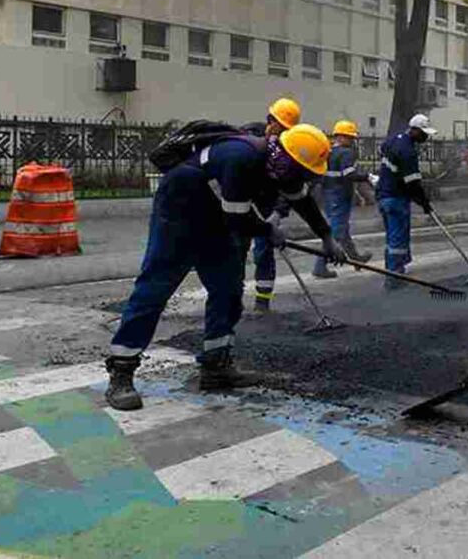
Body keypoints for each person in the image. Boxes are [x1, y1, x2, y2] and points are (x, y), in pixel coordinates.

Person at [105, 124, 347, 412]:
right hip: (180, 216)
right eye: (302, 172)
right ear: (287, 160)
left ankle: (216, 367)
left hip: (217, 220)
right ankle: (122, 370)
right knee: (155, 289)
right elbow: (239, 220)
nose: (303, 180)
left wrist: (327, 237)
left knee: (228, 291)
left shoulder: (282, 167)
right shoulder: (240, 157)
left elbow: (302, 200)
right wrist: (268, 231)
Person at [241, 98, 301, 311]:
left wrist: (277, 213)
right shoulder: (248, 137)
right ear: (271, 121)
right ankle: (231, 298)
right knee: (237, 249)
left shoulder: (288, 147)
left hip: (267, 202)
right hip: (238, 199)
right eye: (280, 126)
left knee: (264, 250)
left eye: (287, 129)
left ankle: (262, 301)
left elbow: (290, 185)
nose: (282, 132)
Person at [376, 113, 436, 289]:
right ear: (415, 130)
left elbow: (385, 154)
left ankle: (393, 269)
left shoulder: (394, 140)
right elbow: (413, 184)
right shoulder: (408, 152)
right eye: (424, 133)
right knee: (397, 238)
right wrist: (425, 204)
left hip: (383, 195)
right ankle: (394, 277)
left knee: (391, 237)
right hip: (396, 198)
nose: (426, 137)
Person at [312, 119, 376, 278]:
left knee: (342, 230)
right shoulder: (347, 153)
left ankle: (356, 259)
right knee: (336, 232)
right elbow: (349, 176)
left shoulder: (328, 151)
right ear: (342, 137)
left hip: (328, 194)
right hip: (340, 196)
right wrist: (368, 177)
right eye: (350, 137)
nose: (352, 140)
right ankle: (320, 266)